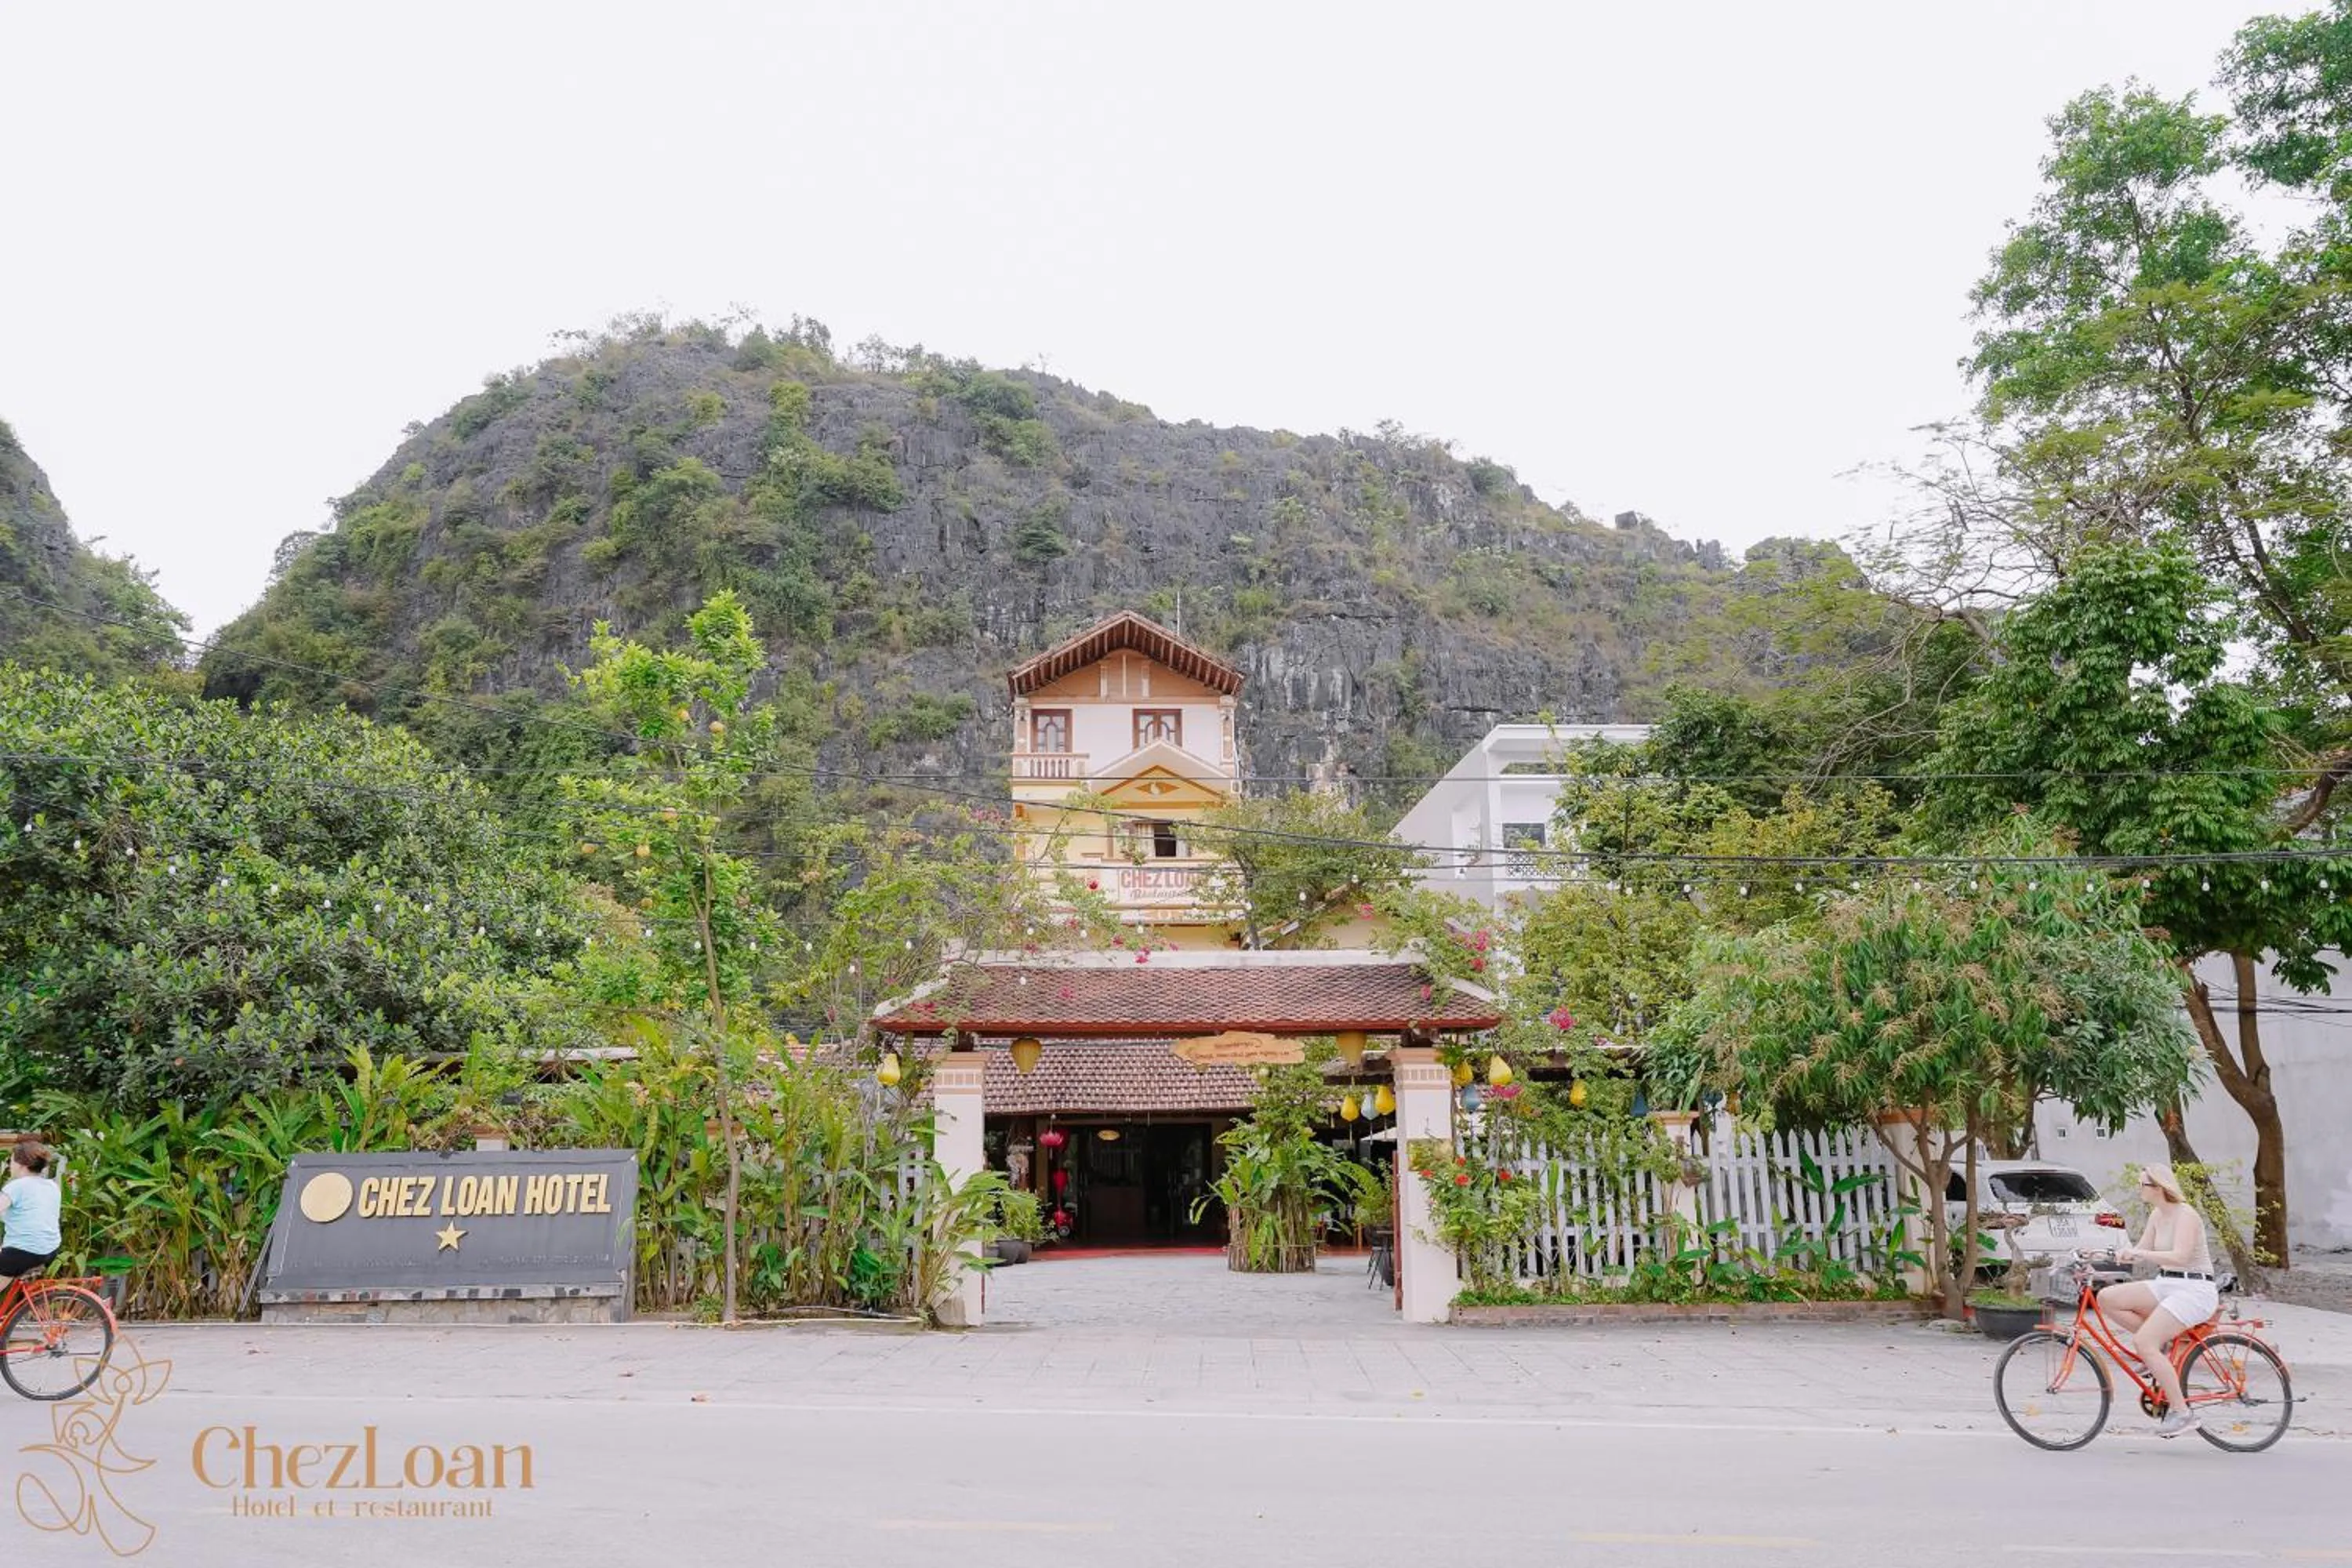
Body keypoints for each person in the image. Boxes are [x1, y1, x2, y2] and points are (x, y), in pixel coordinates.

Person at [2095, 1163, 2217, 1438]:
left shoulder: (2186, 1215)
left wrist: (2142, 1255)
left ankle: (2182, 1413)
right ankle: (2158, 1348)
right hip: (2167, 1283)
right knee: (2107, 1298)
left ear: (2159, 1188)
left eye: (2143, 1185)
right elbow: (2142, 1250)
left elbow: (2180, 1257)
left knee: (2144, 1343)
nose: (2139, 1189)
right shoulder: (2157, 1215)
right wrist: (2116, 1254)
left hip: (2194, 1289)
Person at [0, 1137, 64, 1292]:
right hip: (49, 1250)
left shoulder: (16, 1186)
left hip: (22, 1252)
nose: (9, 1165)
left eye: (11, 1161)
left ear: (22, 1164)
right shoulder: (52, 1186)